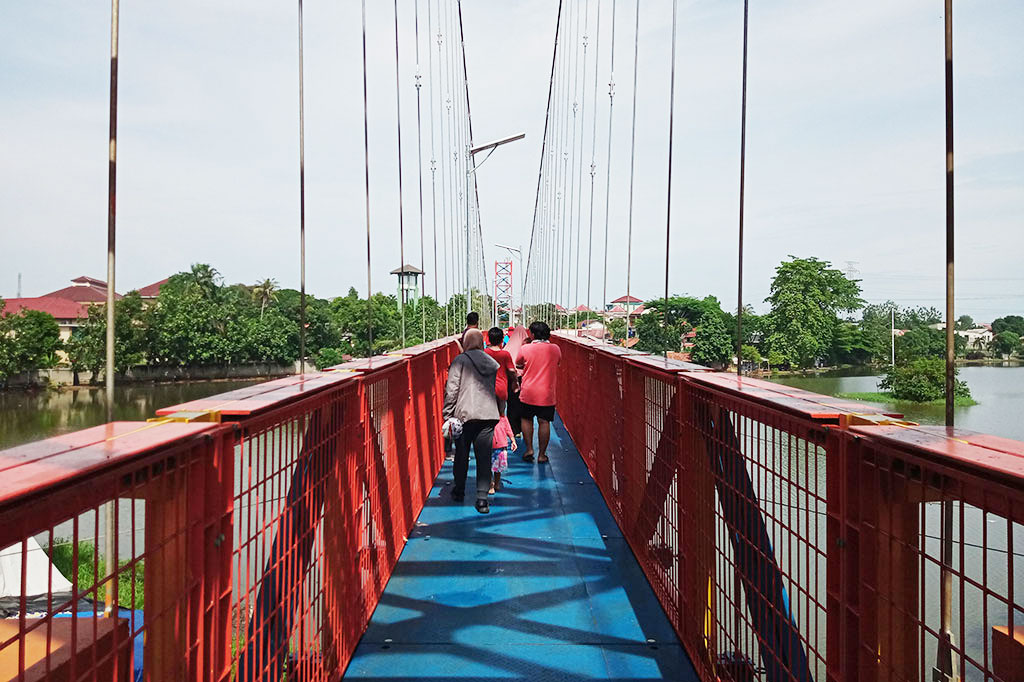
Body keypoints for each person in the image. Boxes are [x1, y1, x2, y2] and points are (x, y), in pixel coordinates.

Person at [442, 329, 500, 513]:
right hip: (488, 415)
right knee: (484, 458)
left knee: (461, 454)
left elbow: (452, 390)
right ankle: (482, 499)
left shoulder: (460, 360)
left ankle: (459, 490)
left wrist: (447, 414)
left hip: (464, 415)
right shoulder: (491, 362)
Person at [516, 321, 561, 463]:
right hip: (547, 394)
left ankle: (529, 449)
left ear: (533, 334)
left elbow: (518, 364)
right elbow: (558, 362)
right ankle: (542, 454)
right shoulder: (555, 349)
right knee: (544, 421)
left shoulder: (525, 348)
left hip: (528, 392)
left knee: (526, 419)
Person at [484, 326, 517, 415]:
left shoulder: (484, 353)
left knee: (488, 417)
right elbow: (511, 370)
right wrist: (515, 382)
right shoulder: (505, 354)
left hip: (486, 389)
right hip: (502, 388)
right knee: (501, 415)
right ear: (502, 340)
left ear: (489, 339)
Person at [489, 414, 516, 494]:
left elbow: (508, 429)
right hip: (490, 445)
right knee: (488, 466)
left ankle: (496, 483)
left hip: (500, 445)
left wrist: (513, 440)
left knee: (498, 468)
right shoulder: (487, 416)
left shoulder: (503, 417)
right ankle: (491, 484)